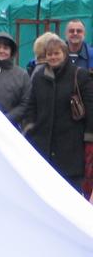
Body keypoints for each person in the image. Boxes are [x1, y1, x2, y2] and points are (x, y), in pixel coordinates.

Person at [20, 34, 93, 192]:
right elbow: (31, 106)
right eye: (49, 54)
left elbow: (90, 108)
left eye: (56, 53)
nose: (53, 57)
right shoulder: (39, 77)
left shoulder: (79, 75)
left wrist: (89, 138)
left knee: (70, 194)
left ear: (64, 54)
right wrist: (30, 128)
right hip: (42, 148)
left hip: (71, 150)